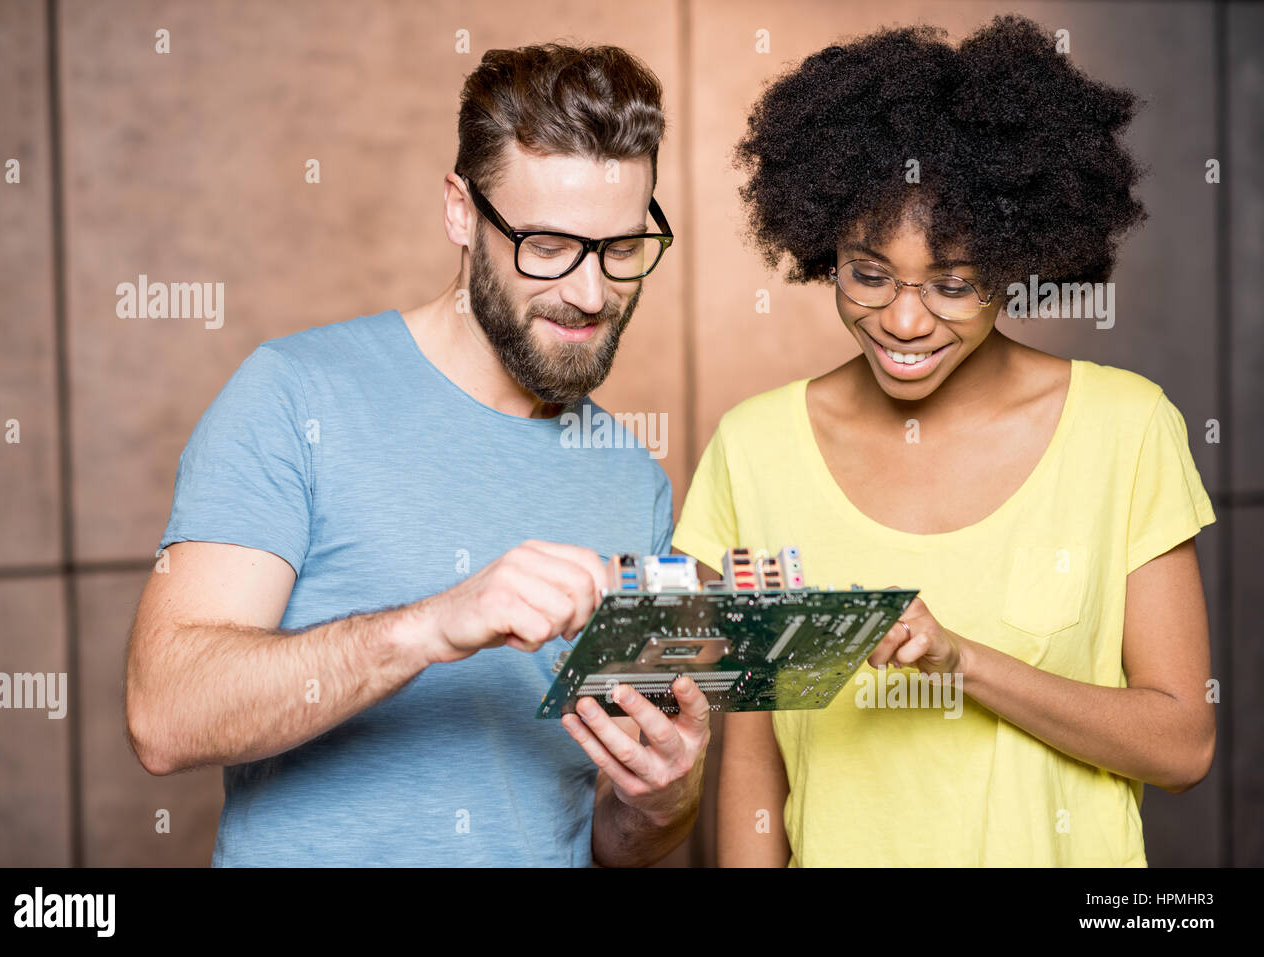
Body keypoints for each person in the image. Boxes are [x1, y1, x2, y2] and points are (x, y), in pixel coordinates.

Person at [126, 42, 709, 867]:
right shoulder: (293, 397)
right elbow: (164, 714)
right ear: (460, 212)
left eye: (620, 250)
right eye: (548, 245)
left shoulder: (631, 477)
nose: (591, 292)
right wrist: (433, 626)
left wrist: (664, 800)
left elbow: (608, 838)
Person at [674, 16, 1216, 866]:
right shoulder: (755, 449)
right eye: (868, 272)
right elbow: (752, 756)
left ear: (1018, 260)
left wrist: (964, 663)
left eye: (955, 284)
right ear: (823, 251)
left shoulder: (1125, 428)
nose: (902, 319)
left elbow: (1183, 744)